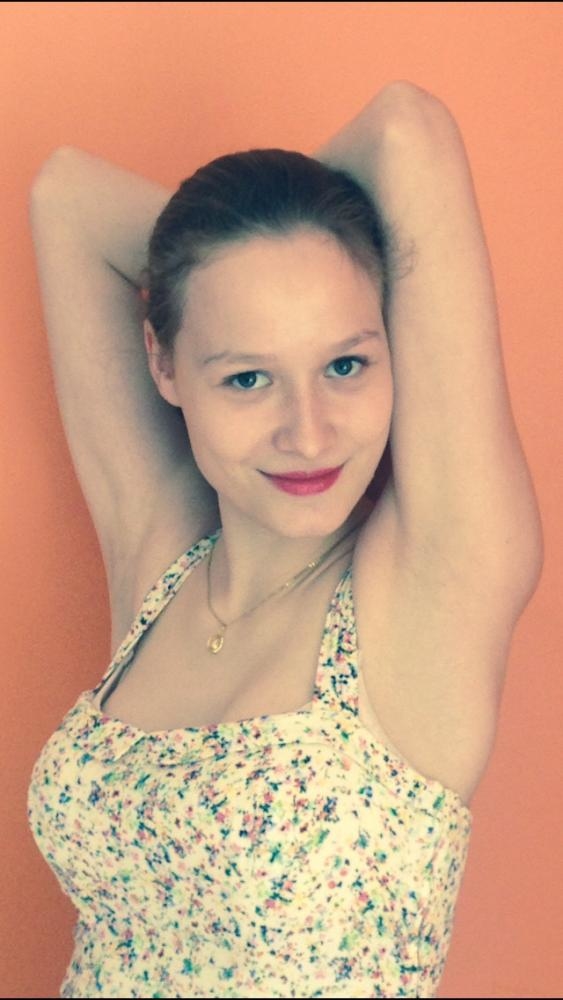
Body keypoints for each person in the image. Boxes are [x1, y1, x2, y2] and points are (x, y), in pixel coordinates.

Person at [26, 81, 543, 999]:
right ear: (164, 364)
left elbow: (405, 130)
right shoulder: (163, 562)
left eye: (345, 363)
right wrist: (224, 267)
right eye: (247, 377)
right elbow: (63, 195)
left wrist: (294, 240)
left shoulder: (432, 585)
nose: (309, 433)